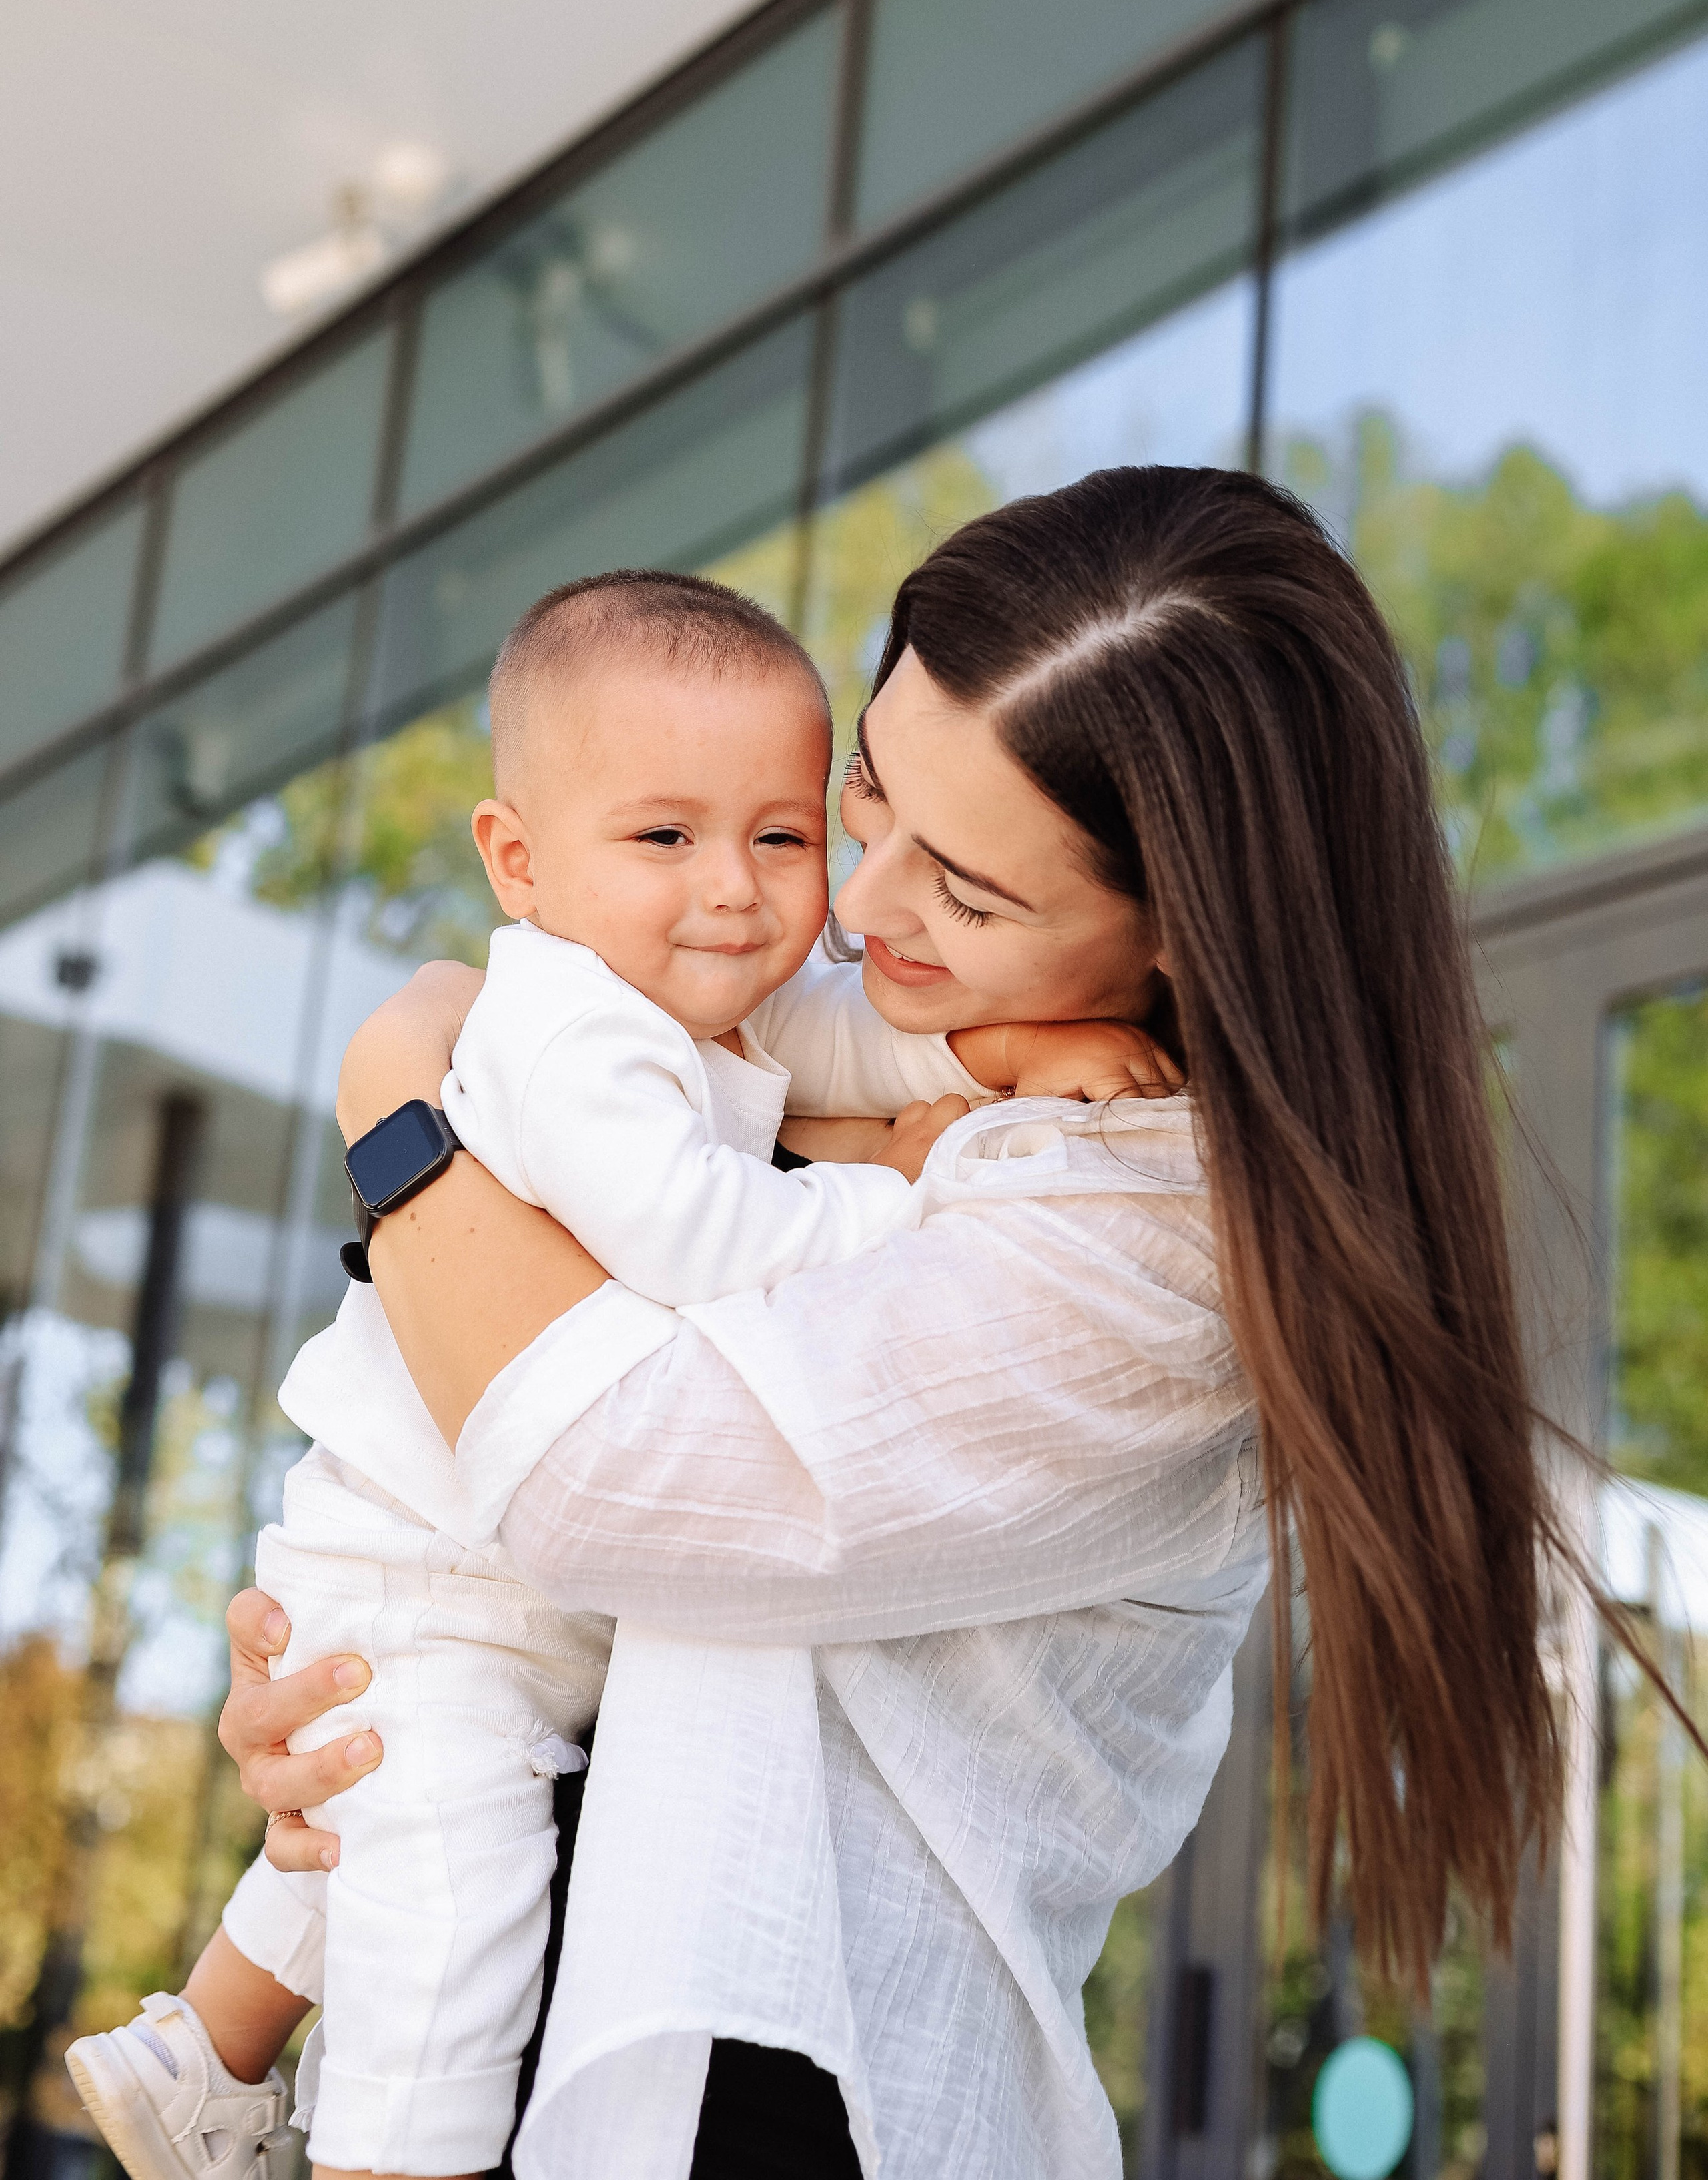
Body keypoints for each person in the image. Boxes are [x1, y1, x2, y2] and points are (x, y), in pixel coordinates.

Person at [211, 466, 1561, 2180]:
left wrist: (399, 1113)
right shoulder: (918, 1069)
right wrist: (388, 1700)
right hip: (552, 2001)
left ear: (1185, 940)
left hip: (778, 2086)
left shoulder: (1167, 1257)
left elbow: (604, 1473)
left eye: (969, 894)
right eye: (861, 801)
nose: (849, 908)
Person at [67, 571, 1166, 2180]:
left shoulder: (727, 1019)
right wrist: (902, 1185)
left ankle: (202, 2051)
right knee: (435, 1933)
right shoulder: (575, 1032)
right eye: (669, 839)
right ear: (517, 860)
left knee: (407, 1843)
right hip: (443, 1576)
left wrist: (995, 1068)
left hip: (505, 1630)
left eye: (781, 835)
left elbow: (856, 1044)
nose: (789, 898)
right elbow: (694, 1237)